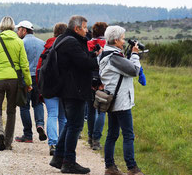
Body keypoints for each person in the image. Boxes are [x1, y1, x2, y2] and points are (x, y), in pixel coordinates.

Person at [49, 15, 101, 174]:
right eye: (85, 27)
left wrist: (92, 54)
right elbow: (84, 64)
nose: (87, 30)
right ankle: (69, 161)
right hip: (74, 89)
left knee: (70, 123)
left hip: (67, 88)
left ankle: (59, 156)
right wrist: (98, 58)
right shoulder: (72, 42)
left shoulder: (63, 39)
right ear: (77, 28)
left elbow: (78, 60)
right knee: (75, 125)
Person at [0, 16, 32, 151]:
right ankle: (8, 142)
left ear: (1, 26)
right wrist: (28, 82)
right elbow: (25, 65)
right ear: (14, 27)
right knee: (11, 111)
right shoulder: (19, 42)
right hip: (14, 80)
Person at [99, 26, 144, 175]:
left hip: (112, 99)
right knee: (128, 135)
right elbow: (134, 71)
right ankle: (132, 168)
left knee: (112, 134)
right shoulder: (114, 57)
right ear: (116, 40)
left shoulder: (107, 53)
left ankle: (110, 167)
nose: (124, 41)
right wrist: (135, 55)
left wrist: (129, 55)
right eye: (123, 39)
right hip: (121, 102)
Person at [36, 22, 68, 155]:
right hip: (65, 87)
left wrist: (40, 89)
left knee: (52, 115)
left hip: (49, 87)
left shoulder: (47, 47)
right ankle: (63, 145)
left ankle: (53, 144)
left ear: (54, 32)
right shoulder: (68, 46)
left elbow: (39, 69)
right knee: (63, 118)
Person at [14, 20, 47, 143]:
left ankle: (28, 134)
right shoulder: (42, 43)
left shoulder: (21, 43)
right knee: (38, 103)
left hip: (25, 78)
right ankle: (40, 125)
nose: (17, 32)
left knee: (24, 106)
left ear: (24, 30)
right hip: (39, 77)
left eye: (19, 30)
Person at [86, 22, 108, 151]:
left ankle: (89, 137)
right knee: (101, 111)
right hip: (103, 80)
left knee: (90, 110)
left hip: (89, 79)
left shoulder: (88, 44)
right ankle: (96, 139)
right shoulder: (108, 45)